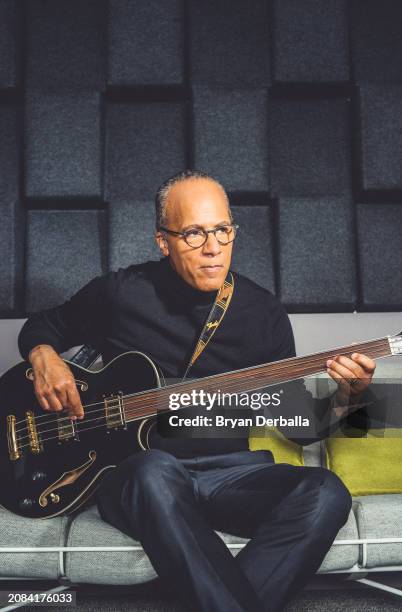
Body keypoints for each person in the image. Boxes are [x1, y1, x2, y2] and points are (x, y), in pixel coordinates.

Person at [18, 170, 376, 612]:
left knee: (327, 492)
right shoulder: (121, 293)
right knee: (155, 471)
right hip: (138, 479)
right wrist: (44, 357)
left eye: (223, 230)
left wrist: (350, 398)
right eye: (193, 233)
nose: (213, 248)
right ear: (162, 241)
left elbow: (299, 426)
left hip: (231, 477)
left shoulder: (263, 313)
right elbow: (44, 325)